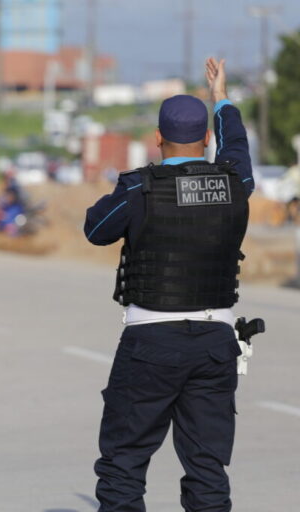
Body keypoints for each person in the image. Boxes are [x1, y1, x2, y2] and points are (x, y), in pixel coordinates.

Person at [84, 58, 253, 511]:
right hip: (216, 342)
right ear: (207, 141)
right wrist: (221, 99)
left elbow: (96, 229)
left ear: (158, 138)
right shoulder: (236, 183)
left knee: (124, 465)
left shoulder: (140, 190)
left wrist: (131, 184)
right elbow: (237, 145)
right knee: (207, 468)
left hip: (151, 342)